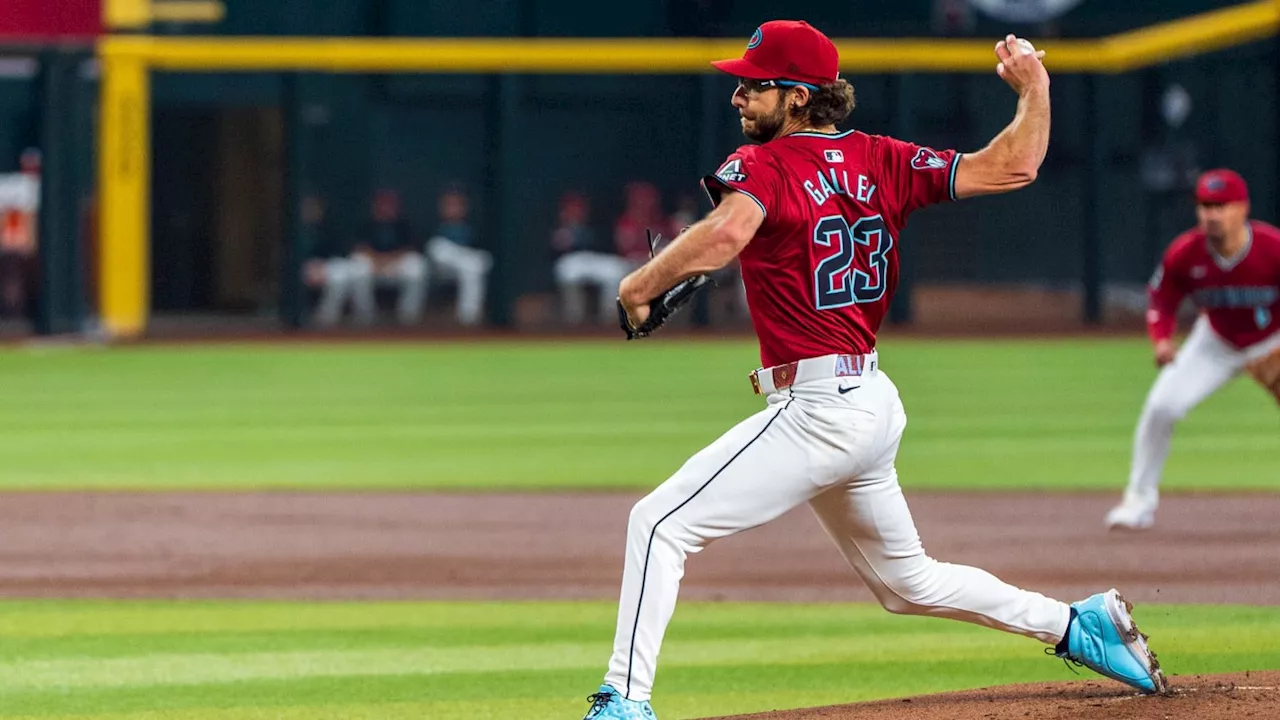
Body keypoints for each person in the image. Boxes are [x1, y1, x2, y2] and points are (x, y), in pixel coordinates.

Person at [582, 21, 1166, 720]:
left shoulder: (762, 164)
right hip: (867, 400)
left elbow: (729, 233)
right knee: (907, 583)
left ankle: (624, 702)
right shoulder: (881, 158)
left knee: (659, 524)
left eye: (753, 83)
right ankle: (1078, 626)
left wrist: (638, 286)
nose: (738, 94)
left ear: (798, 97)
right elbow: (1012, 165)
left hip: (821, 409)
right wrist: (1036, 89)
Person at [1106, 169, 1280, 531]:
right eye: (1205, 205)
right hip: (1215, 342)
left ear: (1242, 208)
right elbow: (1162, 299)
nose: (1212, 214)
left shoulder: (1271, 248)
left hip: (1272, 339)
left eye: (1221, 205)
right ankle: (1138, 502)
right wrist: (1162, 338)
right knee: (1161, 406)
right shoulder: (1186, 252)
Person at [349, 189, 428, 326]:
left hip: (397, 264)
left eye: (389, 205)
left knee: (417, 267)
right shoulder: (367, 224)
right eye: (382, 204)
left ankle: (408, 318)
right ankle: (365, 319)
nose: (386, 208)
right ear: (375, 206)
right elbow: (359, 248)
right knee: (358, 267)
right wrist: (378, 260)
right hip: (373, 264)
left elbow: (411, 248)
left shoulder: (403, 224)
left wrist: (389, 260)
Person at [425, 186, 492, 326]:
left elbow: (482, 253)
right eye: (449, 205)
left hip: (466, 266)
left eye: (457, 205)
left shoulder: (473, 226)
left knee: (473, 265)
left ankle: (468, 318)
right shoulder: (432, 225)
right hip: (439, 269)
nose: (453, 209)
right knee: (438, 247)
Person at [298, 195, 359, 327]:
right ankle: (297, 317)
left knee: (340, 274)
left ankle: (327, 319)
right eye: (308, 208)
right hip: (301, 267)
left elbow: (339, 253)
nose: (311, 211)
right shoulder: (295, 229)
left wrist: (321, 266)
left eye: (315, 208)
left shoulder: (329, 228)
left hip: (325, 266)